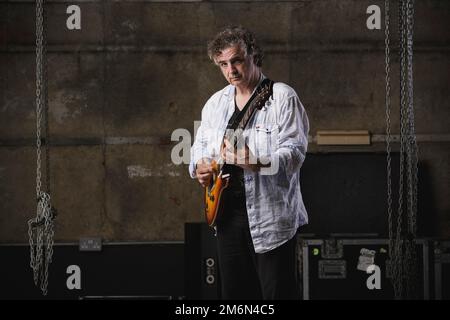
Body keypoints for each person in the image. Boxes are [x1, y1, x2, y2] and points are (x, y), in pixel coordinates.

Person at [189, 26, 309, 300]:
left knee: (276, 294)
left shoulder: (281, 97)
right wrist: (199, 167)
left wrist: (257, 162)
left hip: (271, 218)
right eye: (223, 64)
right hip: (227, 215)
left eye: (237, 60)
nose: (230, 69)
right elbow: (199, 150)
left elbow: (295, 153)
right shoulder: (215, 104)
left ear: (253, 55)